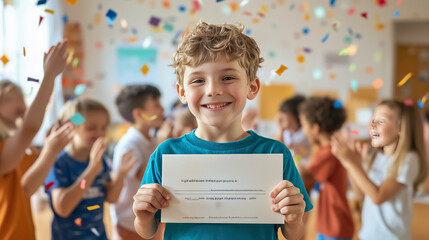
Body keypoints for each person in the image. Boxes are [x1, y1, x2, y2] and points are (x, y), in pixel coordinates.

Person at [133, 22, 312, 240]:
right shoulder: (166, 153)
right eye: (198, 80)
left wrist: (294, 218)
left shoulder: (275, 153)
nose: (213, 90)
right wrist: (143, 217)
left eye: (228, 78)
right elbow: (148, 230)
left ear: (252, 87)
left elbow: (295, 234)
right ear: (182, 93)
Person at [0, 41, 73, 240]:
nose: (20, 103)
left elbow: (28, 188)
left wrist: (51, 150)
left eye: (21, 97)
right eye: (9, 99)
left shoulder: (25, 149)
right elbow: (29, 128)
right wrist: (49, 75)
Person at [331, 99, 428, 240]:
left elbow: (378, 197)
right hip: (368, 235)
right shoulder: (377, 156)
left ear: (401, 127)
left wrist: (352, 163)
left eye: (381, 121)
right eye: (373, 119)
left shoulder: (409, 159)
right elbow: (361, 195)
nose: (372, 124)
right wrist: (352, 163)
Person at [44, 98, 136, 240]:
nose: (100, 133)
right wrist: (92, 169)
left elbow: (111, 198)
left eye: (103, 127)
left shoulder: (101, 161)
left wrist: (121, 174)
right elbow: (63, 208)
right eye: (91, 128)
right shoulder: (59, 163)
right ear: (72, 128)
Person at [111, 84, 165, 240]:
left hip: (149, 218)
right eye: (156, 105)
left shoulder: (152, 139)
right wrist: (163, 143)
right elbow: (144, 176)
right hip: (129, 222)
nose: (162, 110)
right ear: (139, 113)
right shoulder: (129, 143)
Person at [299, 96, 354, 240]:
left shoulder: (328, 151)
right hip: (329, 224)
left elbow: (304, 177)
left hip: (335, 225)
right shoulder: (329, 148)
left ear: (315, 128)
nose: (303, 131)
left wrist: (287, 155)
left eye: (304, 125)